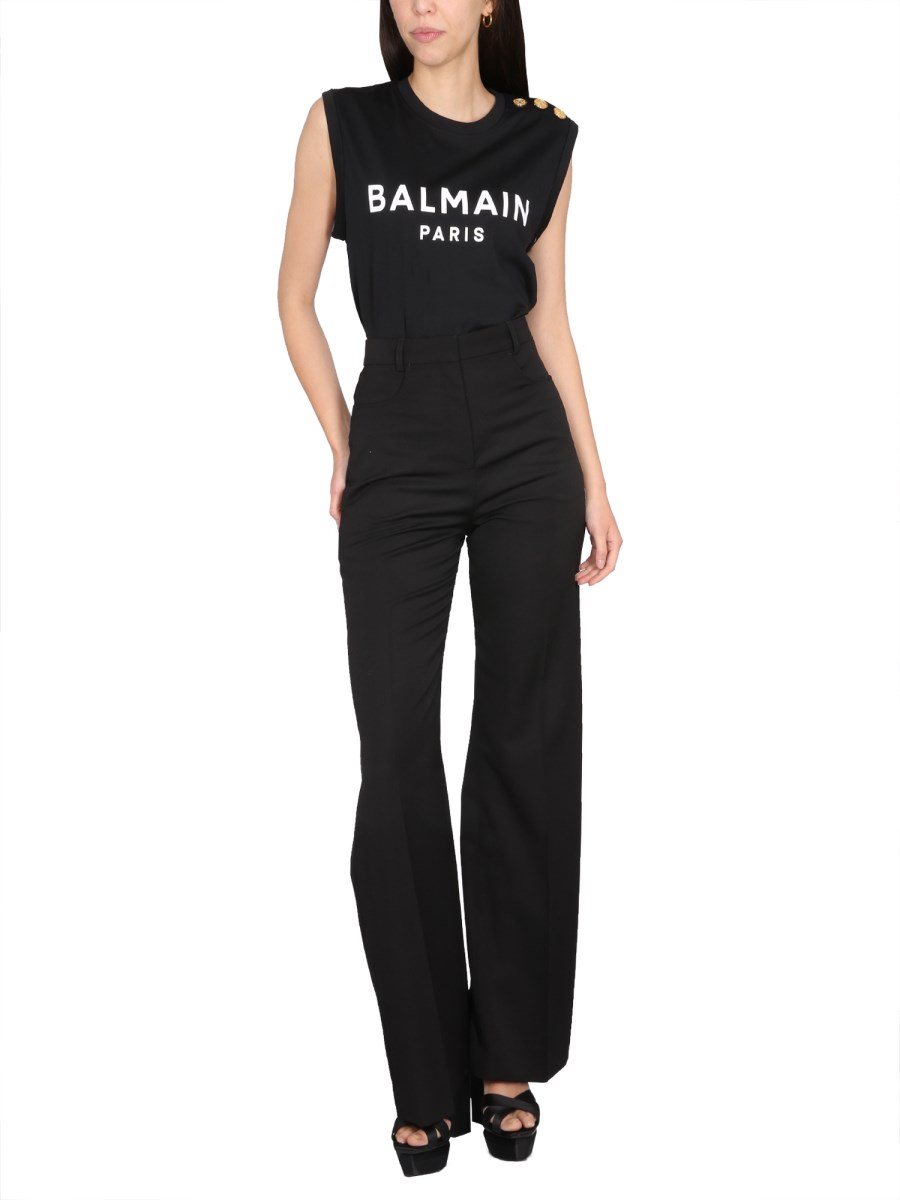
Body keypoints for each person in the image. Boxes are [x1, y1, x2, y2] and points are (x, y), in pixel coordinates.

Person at [277, 0, 622, 1177]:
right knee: (397, 759)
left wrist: (595, 480)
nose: (422, 3)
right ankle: (423, 1075)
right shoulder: (343, 125)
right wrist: (344, 441)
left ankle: (506, 1058)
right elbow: (292, 297)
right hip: (399, 431)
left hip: (525, 439)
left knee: (525, 737)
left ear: (489, 3)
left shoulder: (543, 140)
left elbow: (553, 322)